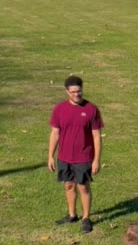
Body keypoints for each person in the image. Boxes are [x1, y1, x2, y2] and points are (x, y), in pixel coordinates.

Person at [48, 75, 104, 234]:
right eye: (73, 92)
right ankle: (72, 215)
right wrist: (50, 156)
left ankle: (86, 218)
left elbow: (96, 137)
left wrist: (96, 160)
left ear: (82, 89)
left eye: (79, 91)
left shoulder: (91, 109)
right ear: (67, 92)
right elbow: (55, 134)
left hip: (84, 157)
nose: (77, 95)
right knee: (68, 185)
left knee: (83, 187)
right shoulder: (59, 109)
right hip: (64, 157)